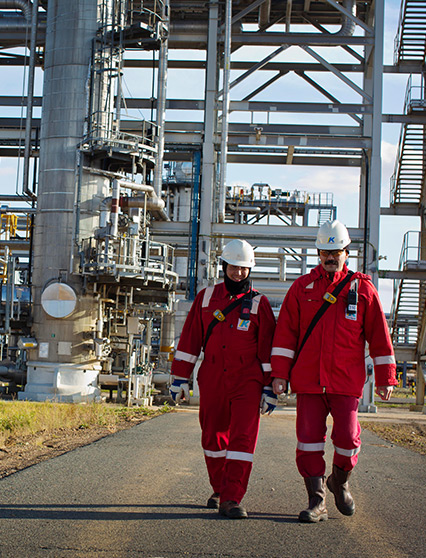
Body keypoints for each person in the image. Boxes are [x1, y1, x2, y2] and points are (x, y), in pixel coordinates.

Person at [270, 220, 398, 523]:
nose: (331, 257)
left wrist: (386, 377)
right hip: (310, 382)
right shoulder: (301, 289)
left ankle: (339, 481)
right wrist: (279, 374)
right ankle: (317, 501)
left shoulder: (362, 288)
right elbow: (285, 335)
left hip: (345, 381)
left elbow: (379, 336)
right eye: (326, 251)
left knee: (348, 439)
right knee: (309, 442)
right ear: (318, 252)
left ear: (346, 252)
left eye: (336, 251)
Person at [170, 239, 277, 519]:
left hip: (248, 380)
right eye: (233, 267)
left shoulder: (259, 304)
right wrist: (179, 377)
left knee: (243, 439)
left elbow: (267, 348)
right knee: (212, 437)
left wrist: (270, 386)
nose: (238, 273)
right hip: (213, 376)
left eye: (243, 268)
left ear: (249, 269)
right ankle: (219, 488)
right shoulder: (205, 299)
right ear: (224, 266)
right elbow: (190, 339)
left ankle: (232, 497)